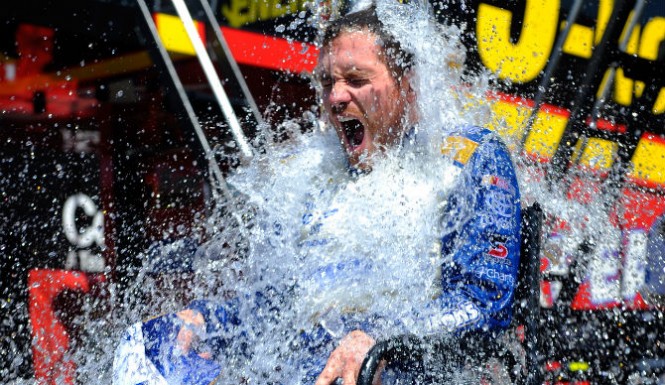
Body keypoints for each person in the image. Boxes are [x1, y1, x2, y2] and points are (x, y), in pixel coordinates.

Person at [113, 4, 521, 385]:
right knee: (149, 343)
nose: (334, 97)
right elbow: (270, 313)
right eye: (327, 82)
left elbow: (483, 301)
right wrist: (204, 320)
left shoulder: (465, 158)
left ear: (409, 86)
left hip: (394, 369)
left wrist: (384, 341)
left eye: (356, 80)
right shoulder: (310, 176)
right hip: (298, 369)